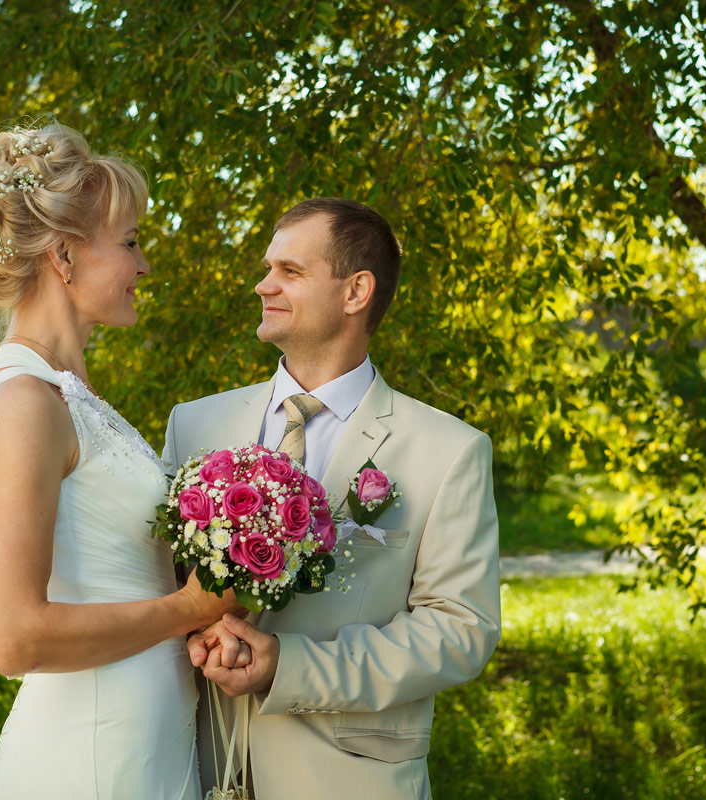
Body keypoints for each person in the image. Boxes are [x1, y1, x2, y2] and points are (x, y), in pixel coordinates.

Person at [162, 198, 501, 799]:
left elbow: (459, 630)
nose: (264, 284)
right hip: (194, 765)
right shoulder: (194, 425)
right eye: (269, 268)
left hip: (347, 778)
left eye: (290, 271)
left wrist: (290, 668)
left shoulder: (448, 450)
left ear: (356, 291)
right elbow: (162, 587)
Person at [0, 123, 240, 799]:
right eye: (130, 243)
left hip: (147, 747)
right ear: (65, 255)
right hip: (94, 760)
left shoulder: (68, 393)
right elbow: (12, 637)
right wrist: (187, 607)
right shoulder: (23, 400)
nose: (144, 265)